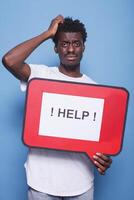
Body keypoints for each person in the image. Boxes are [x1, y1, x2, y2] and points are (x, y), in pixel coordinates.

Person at [2, 15, 112, 200]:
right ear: (56, 48)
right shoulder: (40, 75)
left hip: (81, 183)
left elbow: (101, 140)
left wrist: (105, 158)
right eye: (64, 44)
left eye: (76, 43)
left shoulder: (96, 89)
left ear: (84, 47)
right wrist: (47, 33)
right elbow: (10, 60)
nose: (70, 49)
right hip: (42, 183)